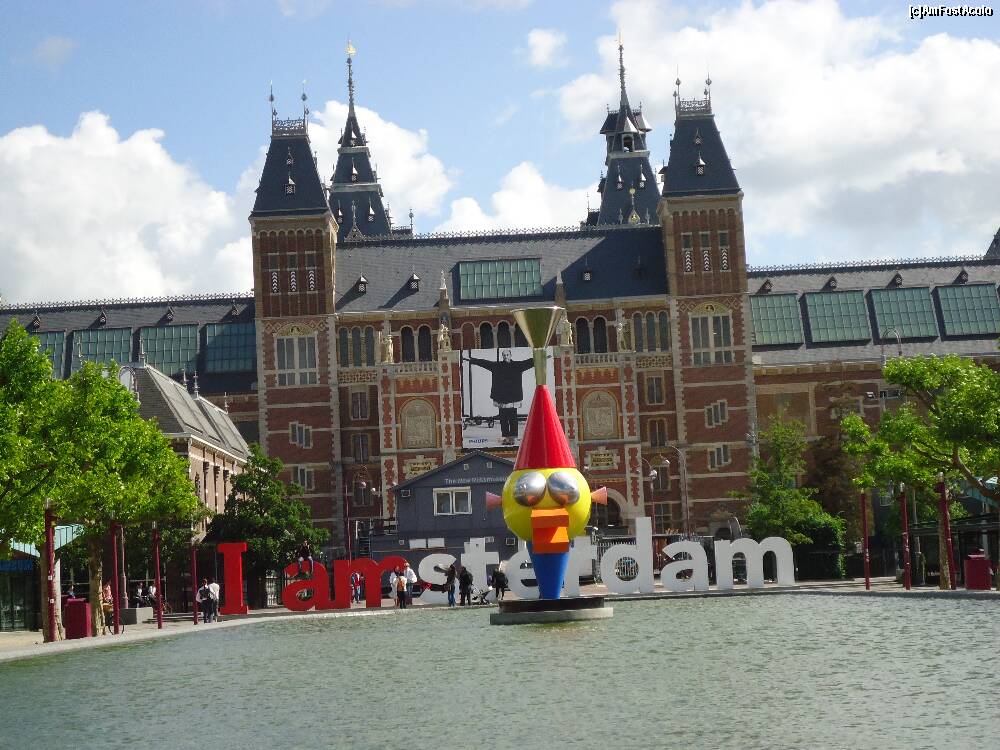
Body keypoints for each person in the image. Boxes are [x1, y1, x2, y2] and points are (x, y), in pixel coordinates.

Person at [467, 350, 534, 445]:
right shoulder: (497, 366)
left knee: (513, 419)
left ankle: (512, 438)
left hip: (513, 397)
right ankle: (505, 437)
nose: (506, 356)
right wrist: (473, 360)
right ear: (502, 356)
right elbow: (485, 363)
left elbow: (529, 362)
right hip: (501, 397)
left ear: (510, 355)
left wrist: (541, 357)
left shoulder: (518, 365)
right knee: (503, 419)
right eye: (504, 355)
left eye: (507, 355)